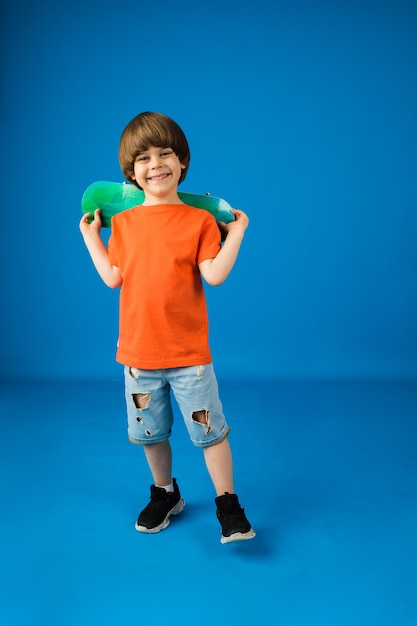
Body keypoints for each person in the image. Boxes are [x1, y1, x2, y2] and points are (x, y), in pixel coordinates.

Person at [79, 111, 255, 544]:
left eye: (165, 154)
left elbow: (213, 275)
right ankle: (165, 493)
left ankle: (228, 505)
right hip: (139, 357)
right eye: (143, 158)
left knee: (210, 433)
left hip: (189, 357)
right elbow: (113, 277)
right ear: (131, 173)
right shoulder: (123, 223)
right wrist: (91, 239)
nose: (155, 164)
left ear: (182, 163)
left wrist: (237, 232)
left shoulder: (197, 221)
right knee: (150, 434)